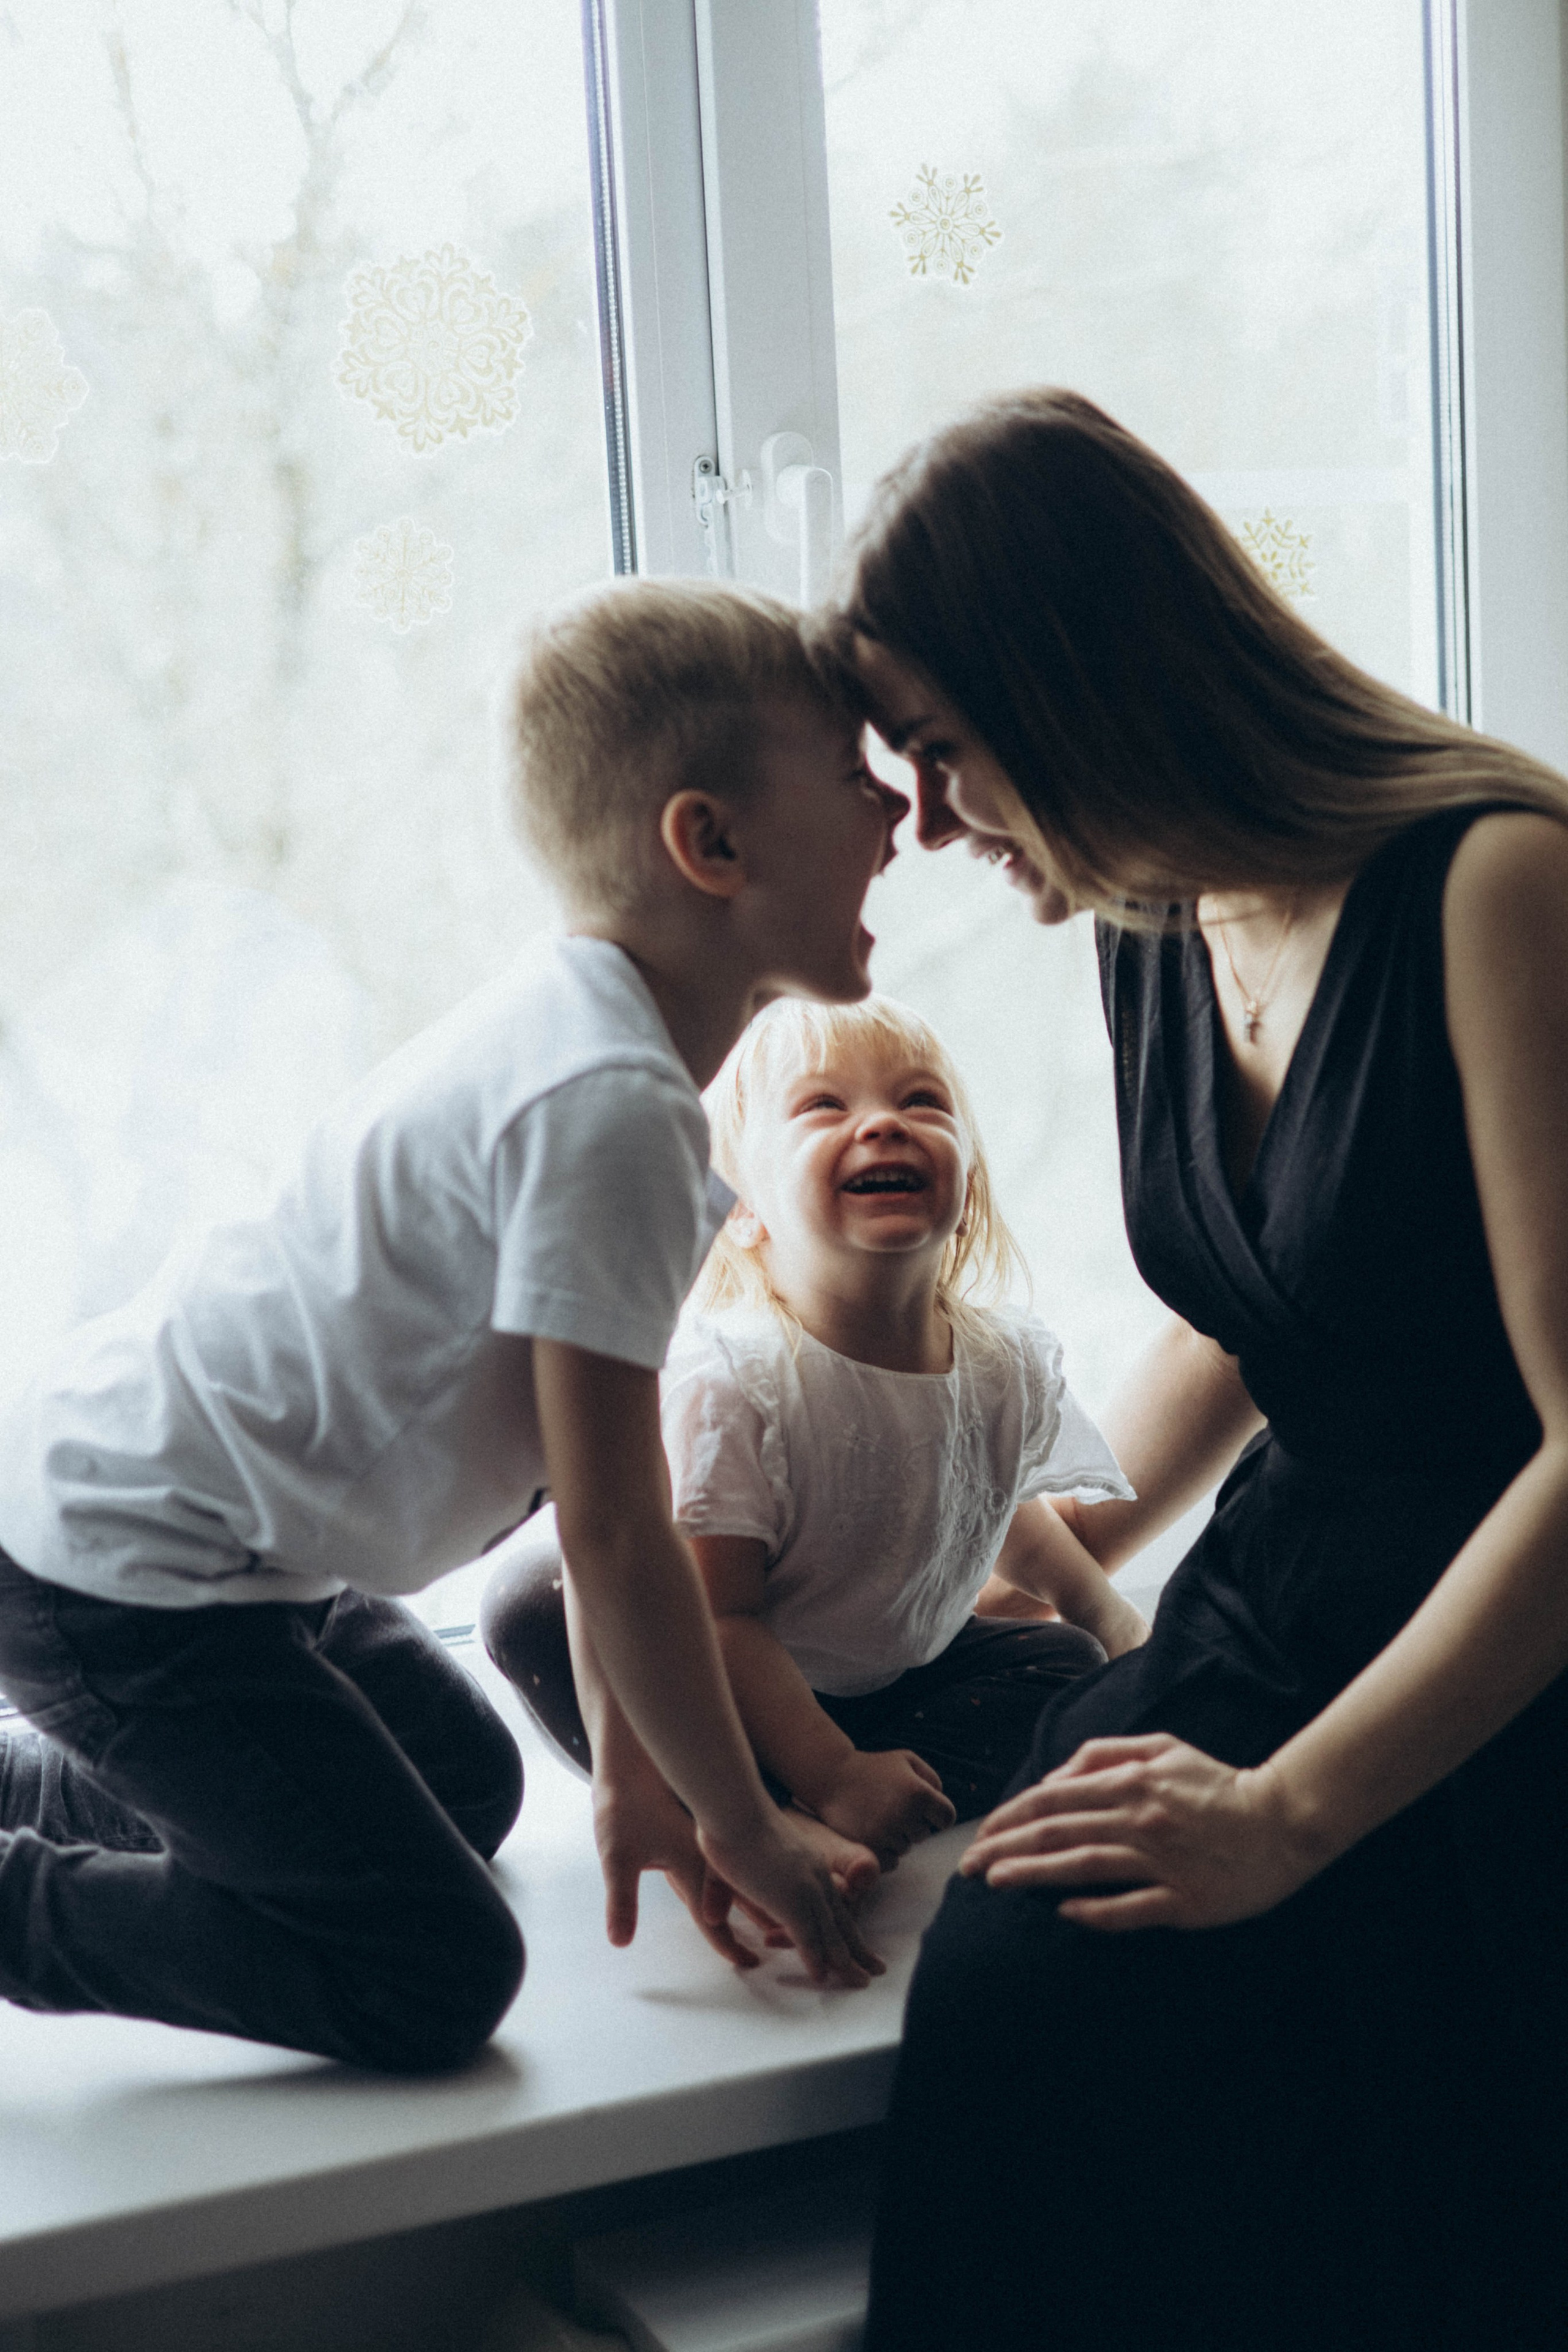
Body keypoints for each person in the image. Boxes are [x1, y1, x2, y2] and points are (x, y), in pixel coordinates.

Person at [829, 388, 1568, 2350]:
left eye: (941, 751)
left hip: (1506, 1653)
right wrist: (1056, 1524)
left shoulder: (1494, 886)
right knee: (1025, 1971)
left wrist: (1295, 1816)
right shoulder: (1155, 919)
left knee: (1316, 2088)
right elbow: (1268, 1294)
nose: (923, 823)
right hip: (1283, 1593)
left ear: (1073, 683)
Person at [0, 578, 907, 2071]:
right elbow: (617, 1537)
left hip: (226, 1557)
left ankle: (62, 1777)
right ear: (712, 842)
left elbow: (594, 1491)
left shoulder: (598, 1051)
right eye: (854, 779)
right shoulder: (604, 1106)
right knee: (426, 1966)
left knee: (462, 1781)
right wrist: (747, 1826)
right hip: (117, 1580)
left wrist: (633, 1775)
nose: (895, 822)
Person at [481, 992, 1145, 1893]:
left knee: (1069, 1670)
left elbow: (996, 1502)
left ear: (969, 1182)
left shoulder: (1001, 1361)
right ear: (745, 1211)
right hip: (723, 1678)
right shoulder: (739, 1387)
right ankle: (768, 1811)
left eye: (922, 1102)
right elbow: (723, 1619)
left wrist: (1112, 1620)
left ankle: (862, 1787)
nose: (882, 1125)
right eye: (825, 1107)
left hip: (889, 1677)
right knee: (533, 1607)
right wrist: (826, 1770)